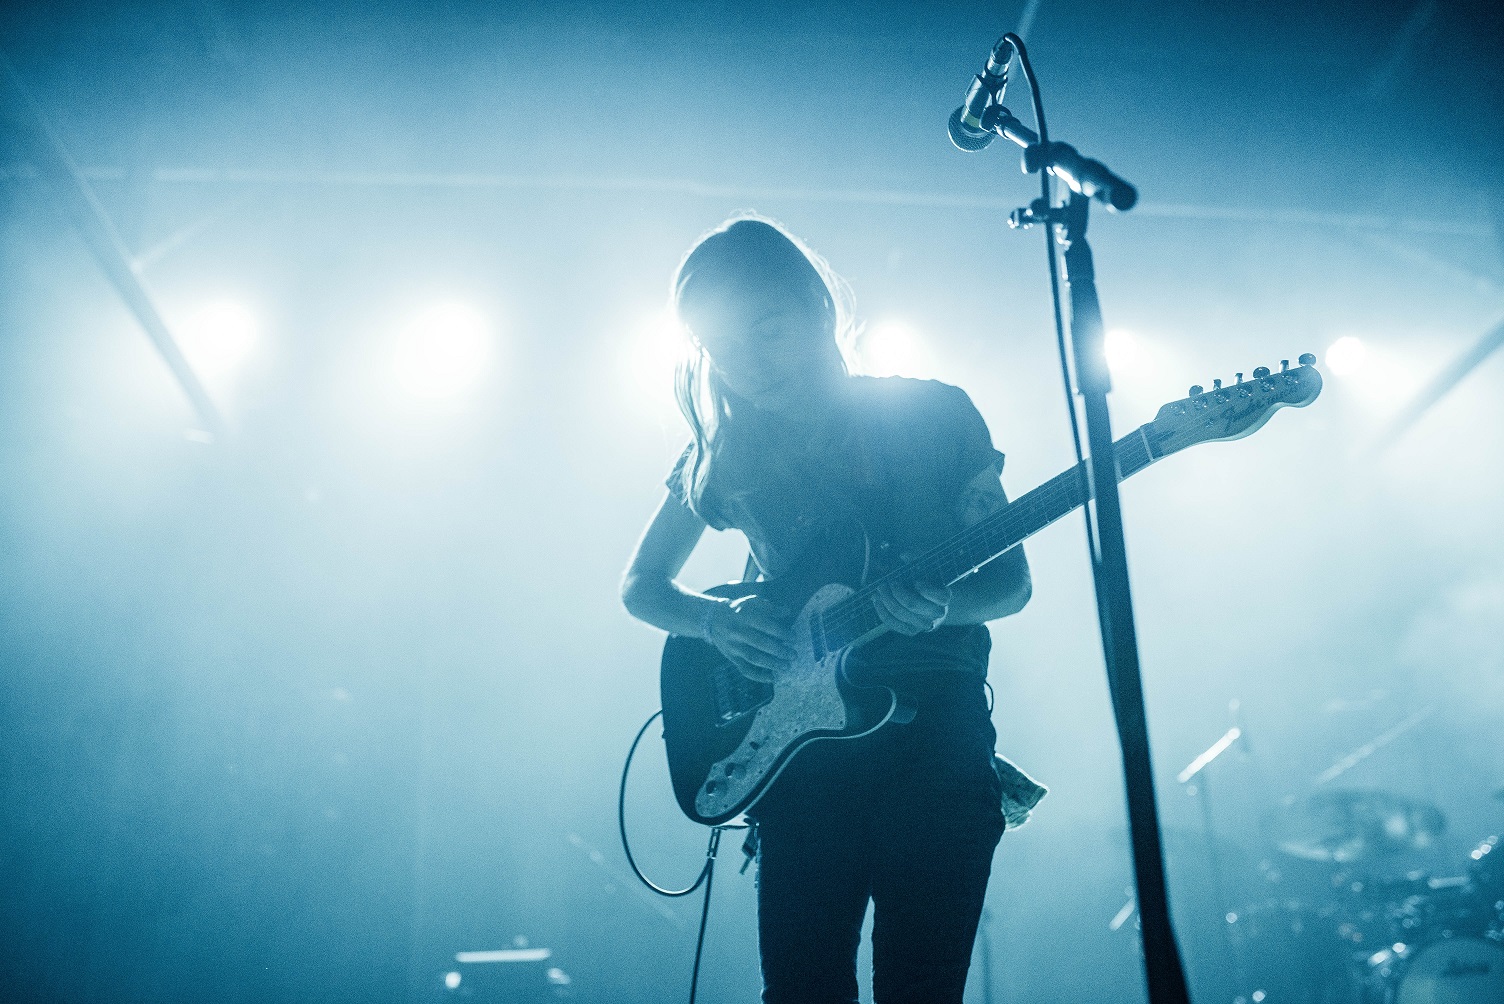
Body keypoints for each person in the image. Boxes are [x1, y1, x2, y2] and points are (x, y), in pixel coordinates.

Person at [620, 215, 1032, 1004]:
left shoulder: (933, 414)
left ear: (816, 306)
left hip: (936, 747)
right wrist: (714, 622)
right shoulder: (724, 451)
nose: (748, 365)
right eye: (723, 350)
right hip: (801, 763)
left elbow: (1009, 584)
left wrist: (938, 605)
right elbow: (642, 584)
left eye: (765, 332)